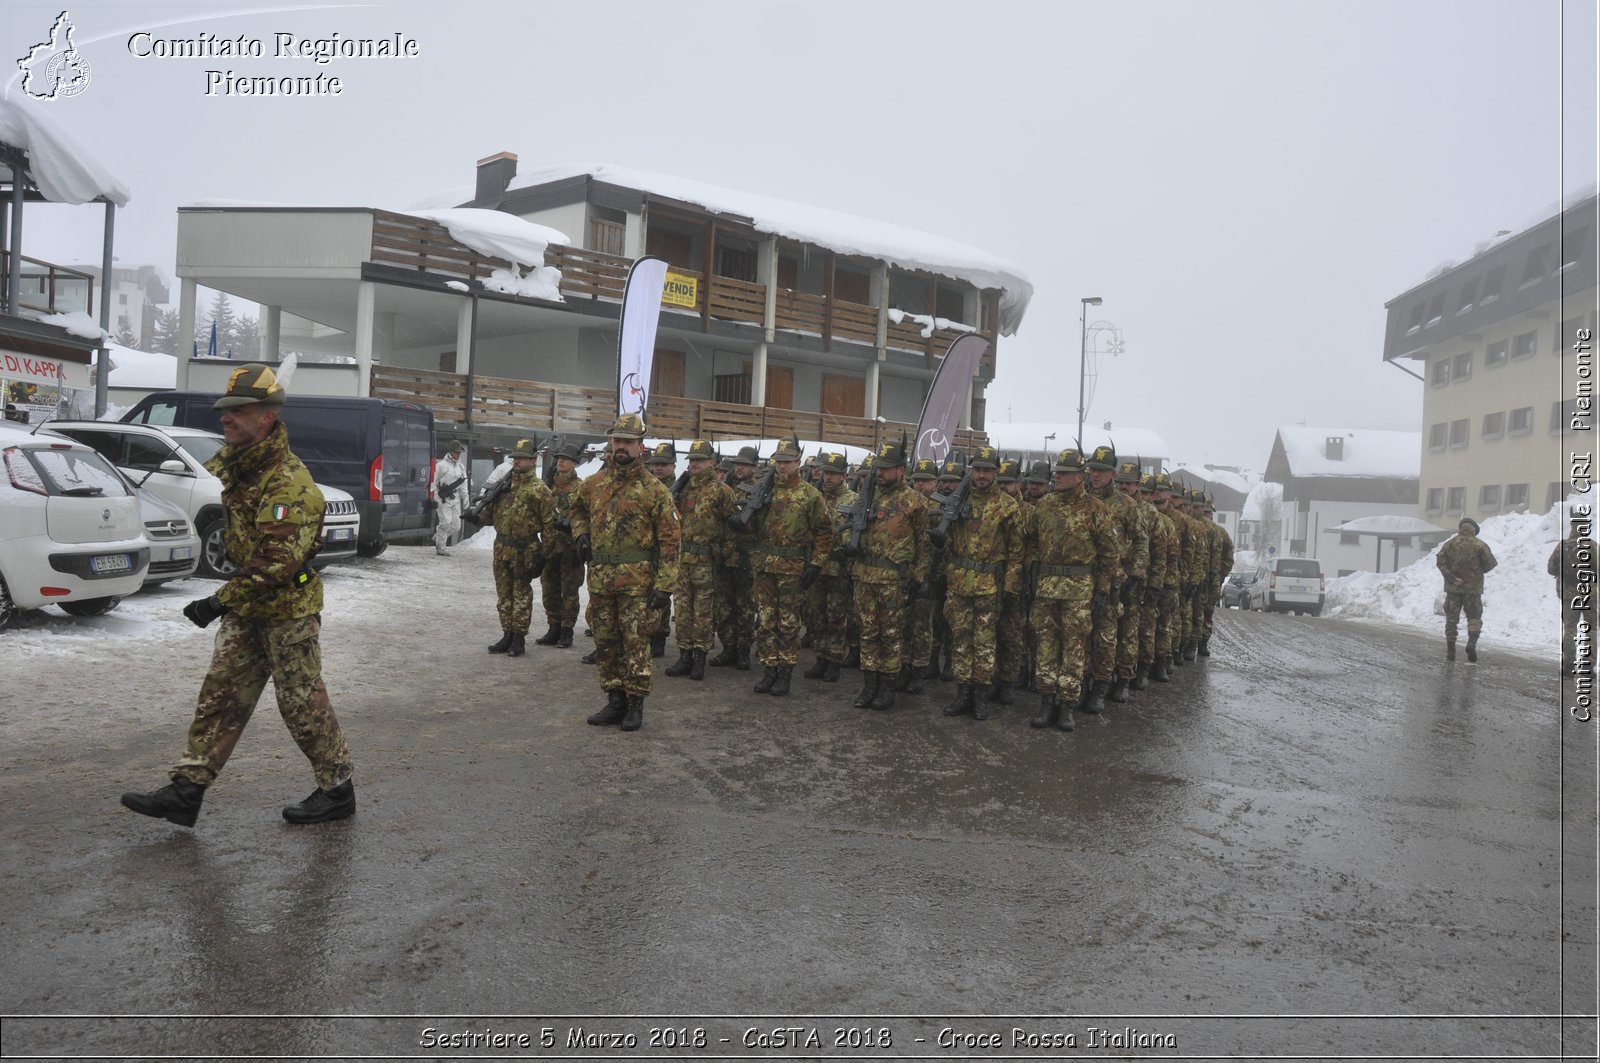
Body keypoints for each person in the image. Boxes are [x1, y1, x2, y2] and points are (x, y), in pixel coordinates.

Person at [120, 363, 356, 827]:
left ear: (267, 416)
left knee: (301, 703)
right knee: (222, 695)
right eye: (224, 410)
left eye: (238, 411)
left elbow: (277, 561)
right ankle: (188, 790)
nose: (225, 418)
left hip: (287, 610)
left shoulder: (288, 480)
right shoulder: (245, 468)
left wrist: (215, 601)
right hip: (249, 609)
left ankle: (337, 790)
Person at [570, 414, 679, 731]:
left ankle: (635, 704)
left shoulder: (654, 490)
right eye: (617, 441)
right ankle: (614, 700)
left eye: (628, 442)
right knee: (606, 643)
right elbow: (575, 508)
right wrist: (581, 534)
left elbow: (671, 540)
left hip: (637, 583)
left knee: (635, 645)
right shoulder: (595, 484)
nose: (621, 447)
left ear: (640, 447)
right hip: (601, 580)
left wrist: (665, 585)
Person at [1028, 447, 1117, 731]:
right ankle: (1046, 701)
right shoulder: (1044, 505)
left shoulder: (1095, 509)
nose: (1059, 478)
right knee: (1045, 646)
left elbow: (1109, 553)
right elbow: (1030, 540)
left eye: (1065, 474)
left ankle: (1067, 705)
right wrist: (1031, 572)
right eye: (1057, 473)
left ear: (1080, 476)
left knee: (1075, 648)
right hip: (1046, 588)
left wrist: (1103, 589)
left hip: (1079, 590)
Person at [940, 445, 1025, 720]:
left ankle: (980, 697)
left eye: (987, 470)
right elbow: (947, 542)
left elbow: (1017, 552)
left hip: (990, 585)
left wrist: (1011, 586)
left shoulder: (1007, 506)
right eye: (977, 470)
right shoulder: (958, 499)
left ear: (996, 473)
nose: (981, 475)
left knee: (985, 642)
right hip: (959, 583)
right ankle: (962, 693)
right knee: (961, 640)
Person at [847, 440, 929, 710]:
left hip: (893, 581)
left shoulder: (915, 502)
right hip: (864, 576)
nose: (880, 473)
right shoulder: (867, 495)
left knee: (892, 636)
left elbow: (923, 545)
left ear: (901, 470)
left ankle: (887, 689)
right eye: (878, 468)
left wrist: (918, 578)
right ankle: (869, 685)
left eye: (886, 468)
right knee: (868, 633)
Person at [750, 438, 834, 697]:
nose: (782, 467)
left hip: (793, 568)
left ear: (798, 463)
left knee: (787, 623)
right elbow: (751, 529)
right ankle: (769, 670)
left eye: (787, 462)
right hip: (765, 567)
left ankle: (785, 672)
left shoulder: (810, 495)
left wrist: (816, 564)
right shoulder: (764, 490)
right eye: (779, 462)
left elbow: (824, 533)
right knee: (765, 621)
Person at [665, 440, 735, 681]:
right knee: (682, 609)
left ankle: (700, 658)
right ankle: (684, 656)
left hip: (707, 561)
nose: (695, 464)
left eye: (700, 460)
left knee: (704, 612)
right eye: (692, 460)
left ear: (711, 463)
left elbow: (731, 528)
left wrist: (725, 557)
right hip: (683, 559)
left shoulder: (722, 491)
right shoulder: (681, 488)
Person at [481, 439, 555, 658]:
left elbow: (550, 526)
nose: (517, 461)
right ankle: (507, 633)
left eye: (521, 458)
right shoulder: (504, 486)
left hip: (526, 549)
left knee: (521, 594)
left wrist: (543, 556)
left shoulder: (539, 490)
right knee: (504, 594)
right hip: (502, 547)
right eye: (515, 458)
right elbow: (490, 515)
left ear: (533, 461)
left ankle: (519, 638)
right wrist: (476, 516)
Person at [805, 450, 857, 684]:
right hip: (815, 567)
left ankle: (834, 659)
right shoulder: (814, 497)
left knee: (837, 616)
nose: (828, 478)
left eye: (834, 474)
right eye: (826, 473)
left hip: (839, 568)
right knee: (816, 615)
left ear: (844, 475)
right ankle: (821, 657)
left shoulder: (854, 500)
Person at [712, 446, 760, 670]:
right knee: (723, 606)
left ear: (754, 467)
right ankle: (728, 648)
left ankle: (742, 651)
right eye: (737, 463)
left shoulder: (759, 490)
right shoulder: (725, 488)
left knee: (745, 608)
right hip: (724, 556)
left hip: (746, 559)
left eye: (744, 464)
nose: (739, 467)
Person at [535, 442, 584, 649]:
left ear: (574, 463)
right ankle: (553, 626)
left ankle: (567, 630)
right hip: (549, 546)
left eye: (566, 458)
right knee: (549, 589)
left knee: (569, 591)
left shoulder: (581, 487)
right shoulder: (548, 486)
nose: (561, 461)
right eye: (559, 458)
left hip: (570, 548)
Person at [1437, 516, 1497, 662]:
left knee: (1451, 620)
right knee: (1474, 618)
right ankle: (1471, 644)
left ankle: (1451, 653)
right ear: (1474, 530)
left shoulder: (1449, 545)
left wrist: (1452, 577)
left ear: (1460, 528)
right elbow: (1490, 565)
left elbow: (1440, 563)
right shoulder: (1480, 545)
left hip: (1453, 589)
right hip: (1473, 590)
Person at [1550, 512, 1596, 676]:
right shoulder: (1592, 545)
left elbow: (1550, 569)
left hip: (1569, 595)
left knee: (1570, 629)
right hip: (1590, 594)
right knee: (1591, 629)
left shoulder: (1562, 546)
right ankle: (1588, 666)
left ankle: (1568, 665)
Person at [645, 441, 678, 658]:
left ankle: (660, 637)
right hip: (646, 550)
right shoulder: (646, 486)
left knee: (661, 596)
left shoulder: (680, 487)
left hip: (667, 549)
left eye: (663, 464)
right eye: (655, 464)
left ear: (674, 466)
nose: (658, 468)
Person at [433, 439, 469, 556]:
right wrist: (434, 496)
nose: (458, 454)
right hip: (443, 498)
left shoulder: (461, 467)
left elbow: (463, 484)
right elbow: (433, 482)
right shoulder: (440, 465)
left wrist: (465, 499)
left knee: (456, 525)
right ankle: (441, 547)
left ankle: (438, 537)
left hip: (456, 497)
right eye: (456, 452)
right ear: (451, 452)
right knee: (445, 523)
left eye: (459, 452)